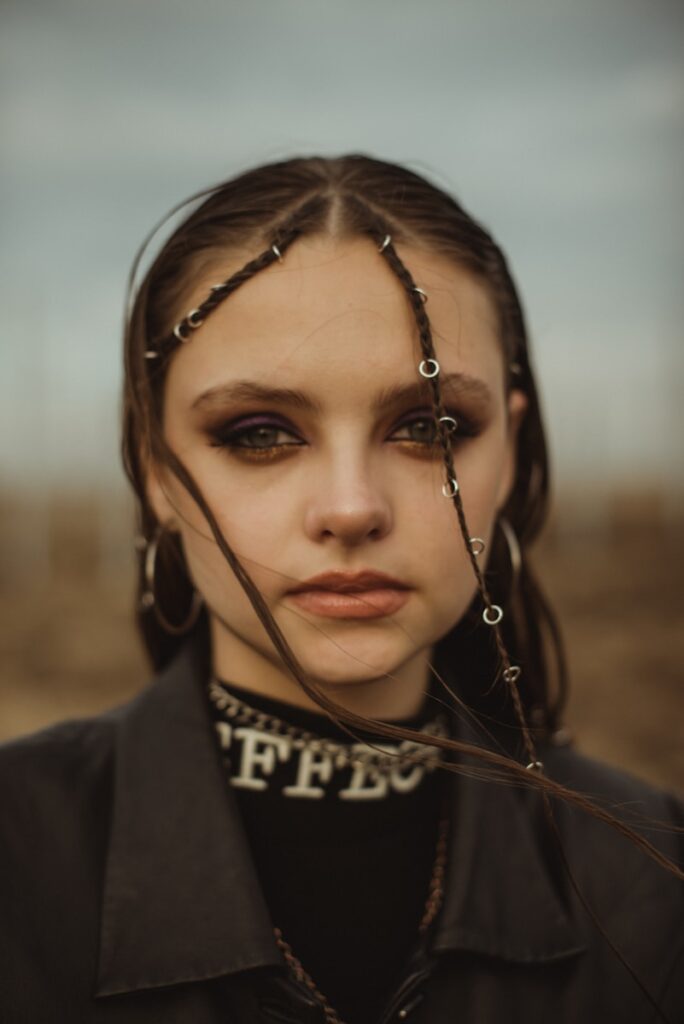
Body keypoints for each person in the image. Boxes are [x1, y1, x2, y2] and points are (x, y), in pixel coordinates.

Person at [1, 155, 682, 1024]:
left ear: (506, 452)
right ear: (153, 469)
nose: (352, 508)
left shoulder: (650, 883)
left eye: (431, 426)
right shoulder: (18, 857)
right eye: (258, 433)